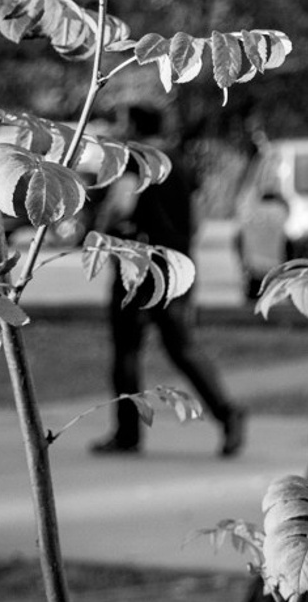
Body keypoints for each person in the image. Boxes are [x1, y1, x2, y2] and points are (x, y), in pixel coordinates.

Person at [92, 104, 244, 457]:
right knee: (182, 347)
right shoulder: (179, 160)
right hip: (177, 266)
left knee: (127, 351)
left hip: (138, 267)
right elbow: (197, 218)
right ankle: (227, 413)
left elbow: (121, 207)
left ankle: (128, 433)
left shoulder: (134, 160)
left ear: (132, 125)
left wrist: (101, 226)